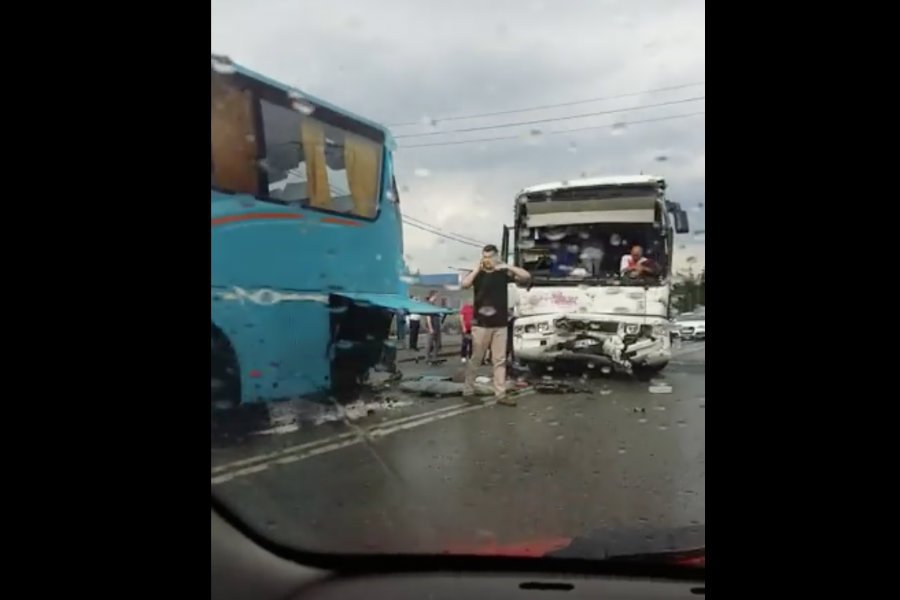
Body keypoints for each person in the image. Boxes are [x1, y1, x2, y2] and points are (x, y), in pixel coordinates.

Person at [461, 244, 531, 405]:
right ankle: (468, 390)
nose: (488, 260)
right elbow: (465, 284)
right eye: (485, 256)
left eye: (490, 256)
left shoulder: (502, 273)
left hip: (500, 323)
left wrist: (506, 265)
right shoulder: (477, 274)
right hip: (481, 324)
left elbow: (525, 276)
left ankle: (500, 394)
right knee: (476, 358)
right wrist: (478, 269)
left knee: (499, 360)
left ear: (496, 256)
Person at [424, 290, 442, 363]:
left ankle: (434, 357)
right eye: (436, 295)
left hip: (437, 326)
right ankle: (427, 358)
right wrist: (430, 328)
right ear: (433, 295)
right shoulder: (428, 305)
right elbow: (428, 317)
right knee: (429, 343)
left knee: (438, 343)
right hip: (432, 327)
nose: (437, 297)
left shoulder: (434, 305)